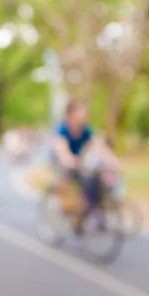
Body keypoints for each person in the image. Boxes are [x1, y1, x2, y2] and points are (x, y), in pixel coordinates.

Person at [51, 100, 121, 234]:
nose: (84, 115)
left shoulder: (85, 131)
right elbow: (61, 149)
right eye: (81, 112)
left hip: (78, 164)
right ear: (72, 114)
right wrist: (70, 160)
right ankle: (63, 204)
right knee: (66, 180)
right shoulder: (63, 129)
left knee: (91, 183)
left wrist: (114, 162)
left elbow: (100, 147)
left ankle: (84, 215)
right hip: (62, 162)